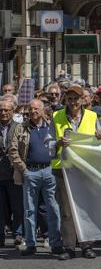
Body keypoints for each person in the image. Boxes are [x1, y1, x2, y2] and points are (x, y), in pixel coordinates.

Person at [51, 85, 101, 260]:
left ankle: (87, 245)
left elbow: (99, 138)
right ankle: (69, 247)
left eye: (76, 99)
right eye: (70, 99)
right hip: (63, 169)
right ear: (66, 100)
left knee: (86, 208)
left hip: (85, 168)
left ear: (83, 100)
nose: (73, 102)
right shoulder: (56, 116)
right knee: (66, 211)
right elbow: (48, 142)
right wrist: (58, 143)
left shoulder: (92, 116)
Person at [8, 99, 64, 257]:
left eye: (36, 109)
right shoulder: (21, 127)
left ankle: (55, 243)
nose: (33, 112)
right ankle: (31, 244)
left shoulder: (51, 126)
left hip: (49, 171)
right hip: (30, 172)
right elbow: (12, 150)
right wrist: (23, 169)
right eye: (31, 109)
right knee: (29, 210)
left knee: (53, 209)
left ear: (43, 110)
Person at [0, 98, 23, 247]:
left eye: (6, 110)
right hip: (0, 174)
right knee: (0, 207)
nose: (3, 113)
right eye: (1, 110)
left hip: (14, 173)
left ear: (13, 111)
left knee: (17, 206)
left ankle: (18, 234)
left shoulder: (20, 127)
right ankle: (0, 236)